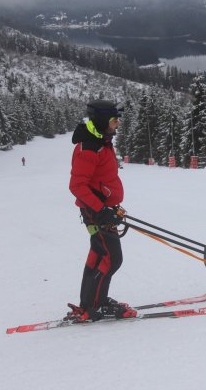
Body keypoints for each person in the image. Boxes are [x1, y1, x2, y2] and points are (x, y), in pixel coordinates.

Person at [65, 99, 136, 322]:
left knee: (99, 256)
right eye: (114, 121)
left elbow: (101, 178)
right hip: (96, 212)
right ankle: (95, 306)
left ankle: (91, 302)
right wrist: (100, 208)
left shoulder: (101, 140)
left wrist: (109, 204)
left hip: (103, 209)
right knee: (111, 258)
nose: (117, 125)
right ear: (104, 121)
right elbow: (77, 186)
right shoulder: (90, 147)